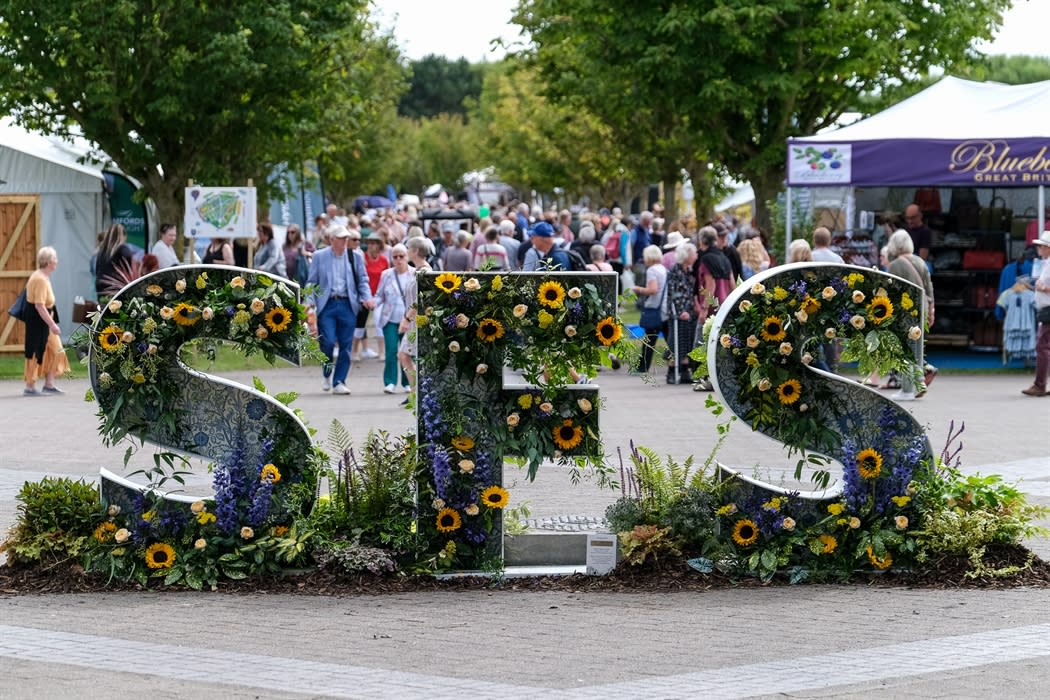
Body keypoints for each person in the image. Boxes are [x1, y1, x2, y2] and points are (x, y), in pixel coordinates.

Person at [305, 225, 375, 395]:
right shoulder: (319, 256)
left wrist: (366, 297)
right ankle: (327, 374)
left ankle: (339, 381)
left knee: (346, 344)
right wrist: (309, 303)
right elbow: (311, 282)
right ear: (332, 240)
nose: (345, 241)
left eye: (346, 238)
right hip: (327, 304)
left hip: (347, 304)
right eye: (341, 238)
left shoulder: (355, 256)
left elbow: (363, 280)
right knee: (327, 342)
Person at [886, 230, 936, 401]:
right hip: (921, 308)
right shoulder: (921, 262)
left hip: (903, 311)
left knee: (904, 350)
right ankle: (919, 383)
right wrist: (931, 310)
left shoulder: (894, 265)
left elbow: (889, 291)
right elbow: (929, 288)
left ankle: (907, 389)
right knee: (917, 348)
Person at [23, 246, 69, 396]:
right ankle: (30, 386)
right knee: (36, 351)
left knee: (55, 351)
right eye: (55, 258)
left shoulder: (43, 277)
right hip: (39, 321)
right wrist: (52, 324)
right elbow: (39, 305)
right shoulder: (40, 279)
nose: (57, 261)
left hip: (45, 320)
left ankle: (49, 384)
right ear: (48, 262)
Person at [397, 236, 433, 404]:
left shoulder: (425, 271)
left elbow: (419, 299)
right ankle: (415, 392)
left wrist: (406, 318)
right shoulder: (416, 270)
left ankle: (418, 393)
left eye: (409, 249)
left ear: (416, 251)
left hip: (418, 321)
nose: (407, 252)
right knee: (404, 355)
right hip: (413, 321)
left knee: (412, 356)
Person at [374, 243, 413, 395]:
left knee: (407, 352)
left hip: (408, 320)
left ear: (407, 257)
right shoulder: (386, 274)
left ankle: (407, 382)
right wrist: (373, 303)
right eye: (395, 257)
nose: (398, 260)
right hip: (390, 319)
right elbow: (379, 295)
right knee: (391, 351)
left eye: (401, 256)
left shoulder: (414, 274)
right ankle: (390, 382)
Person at [665, 242, 699, 385]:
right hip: (678, 312)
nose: (695, 256)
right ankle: (671, 372)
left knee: (686, 341)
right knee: (676, 341)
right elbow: (674, 293)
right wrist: (680, 311)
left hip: (689, 310)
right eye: (693, 253)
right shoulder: (676, 271)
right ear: (686, 255)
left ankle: (685, 370)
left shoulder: (688, 270)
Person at [632, 244, 668, 374]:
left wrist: (638, 289)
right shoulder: (663, 269)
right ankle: (679, 362)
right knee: (669, 339)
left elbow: (653, 289)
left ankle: (643, 367)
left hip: (654, 308)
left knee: (649, 340)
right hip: (664, 308)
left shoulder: (652, 270)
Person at [1022, 232, 1050, 396]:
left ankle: (1040, 384)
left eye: (1041, 245)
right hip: (1046, 308)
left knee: (1042, 345)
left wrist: (1043, 288)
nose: (1039, 248)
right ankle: (1040, 383)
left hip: (1048, 309)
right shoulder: (1046, 263)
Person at [353, 231, 386, 360]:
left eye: (374, 243)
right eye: (370, 243)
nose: (372, 246)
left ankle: (381, 351)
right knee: (360, 324)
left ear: (379, 245)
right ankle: (355, 351)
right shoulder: (362, 258)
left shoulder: (383, 260)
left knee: (379, 321)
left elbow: (386, 278)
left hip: (379, 296)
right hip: (365, 296)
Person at [94, 223, 135, 298]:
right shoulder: (122, 249)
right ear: (122, 236)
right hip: (114, 288)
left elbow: (97, 270)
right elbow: (130, 267)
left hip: (100, 286)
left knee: (104, 308)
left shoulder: (102, 251)